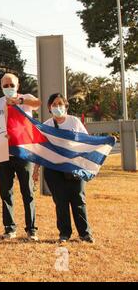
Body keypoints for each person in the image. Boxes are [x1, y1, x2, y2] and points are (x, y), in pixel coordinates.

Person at [33, 93, 95, 244]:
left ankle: (85, 234)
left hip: (74, 168)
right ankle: (64, 233)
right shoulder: (46, 126)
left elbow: (86, 142)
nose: (58, 107)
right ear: (49, 107)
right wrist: (36, 170)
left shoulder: (74, 122)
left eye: (60, 104)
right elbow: (41, 150)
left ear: (66, 106)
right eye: (54, 104)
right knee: (61, 202)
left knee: (78, 200)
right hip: (53, 170)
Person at [0, 73, 41, 241]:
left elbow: (38, 103)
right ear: (1, 87)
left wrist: (19, 102)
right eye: (5, 85)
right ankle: (9, 228)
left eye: (12, 85)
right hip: (3, 153)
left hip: (23, 153)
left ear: (18, 86)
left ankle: (31, 229)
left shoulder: (26, 99)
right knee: (6, 192)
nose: (8, 88)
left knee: (28, 192)